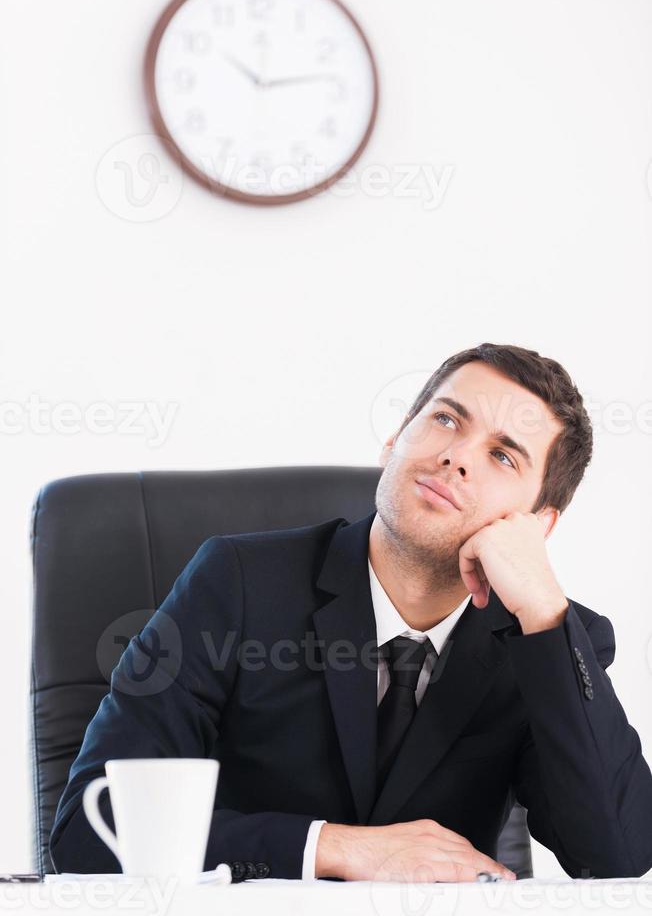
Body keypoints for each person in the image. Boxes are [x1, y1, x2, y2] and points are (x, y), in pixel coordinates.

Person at [49, 343, 652, 883]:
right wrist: (335, 849)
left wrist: (546, 616)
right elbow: (86, 830)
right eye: (445, 419)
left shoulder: (549, 637)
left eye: (503, 456)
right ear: (395, 439)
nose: (457, 457)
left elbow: (620, 859)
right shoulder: (235, 583)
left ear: (539, 524)